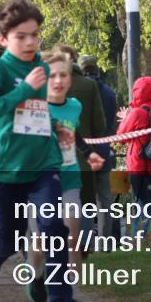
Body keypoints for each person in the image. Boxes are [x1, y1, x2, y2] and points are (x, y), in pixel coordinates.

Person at [0, 0, 77, 302]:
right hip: (9, 169)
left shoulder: (44, 70)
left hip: (45, 165)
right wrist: (24, 91)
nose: (31, 42)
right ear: (3, 39)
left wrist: (54, 126)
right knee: (9, 240)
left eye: (35, 35)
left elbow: (35, 113)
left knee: (54, 231)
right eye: (21, 36)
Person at [26, 51, 103, 302]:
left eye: (63, 75)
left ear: (70, 80)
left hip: (70, 179)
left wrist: (88, 152)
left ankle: (70, 295)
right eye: (52, 75)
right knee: (39, 244)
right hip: (40, 182)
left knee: (73, 235)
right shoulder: (33, 107)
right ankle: (37, 276)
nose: (58, 80)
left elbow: (76, 133)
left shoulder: (74, 106)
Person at [51, 44, 106, 220]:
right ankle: (85, 242)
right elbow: (100, 124)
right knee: (85, 205)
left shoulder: (45, 86)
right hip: (81, 160)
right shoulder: (90, 86)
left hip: (49, 163)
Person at [115, 76, 151, 238]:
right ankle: (150, 232)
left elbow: (120, 136)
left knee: (139, 201)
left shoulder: (137, 113)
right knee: (149, 199)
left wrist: (127, 118)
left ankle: (139, 235)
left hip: (137, 164)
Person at [80, 55, 119, 240]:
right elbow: (111, 124)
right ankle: (105, 242)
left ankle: (84, 242)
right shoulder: (110, 93)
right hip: (104, 150)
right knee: (105, 201)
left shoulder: (78, 91)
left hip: (84, 153)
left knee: (83, 201)